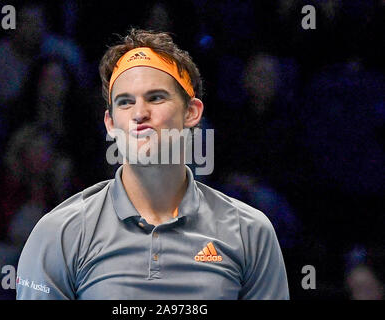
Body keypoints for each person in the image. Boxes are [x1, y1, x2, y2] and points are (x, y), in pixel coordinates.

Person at [16, 28, 289, 300]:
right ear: (110, 124)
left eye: (156, 97)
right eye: (125, 102)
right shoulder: (57, 234)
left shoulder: (251, 232)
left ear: (191, 113)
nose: (139, 113)